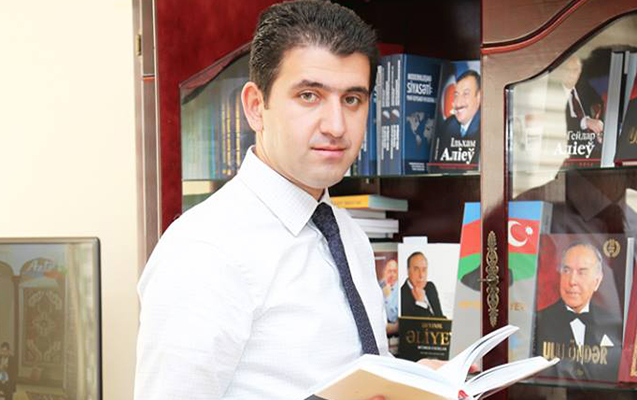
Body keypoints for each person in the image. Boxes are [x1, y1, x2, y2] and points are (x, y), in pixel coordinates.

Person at [134, 2, 416, 399]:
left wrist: (413, 381)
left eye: (352, 100)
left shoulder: (347, 234)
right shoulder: (204, 251)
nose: (336, 126)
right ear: (255, 107)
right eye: (309, 96)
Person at [534, 242, 622, 381]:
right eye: (566, 271)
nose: (572, 281)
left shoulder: (614, 324)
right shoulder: (538, 322)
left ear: (597, 281)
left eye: (582, 272)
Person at [400, 252, 444, 318]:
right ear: (408, 271)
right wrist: (420, 303)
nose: (421, 275)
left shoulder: (430, 287)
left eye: (424, 269)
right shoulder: (401, 295)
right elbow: (417, 324)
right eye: (416, 269)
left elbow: (440, 318)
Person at [379, 259, 398, 334]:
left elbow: (392, 318)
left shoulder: (399, 290)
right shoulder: (379, 286)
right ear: (385, 272)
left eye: (395, 271)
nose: (392, 274)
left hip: (393, 335)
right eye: (389, 271)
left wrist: (387, 297)